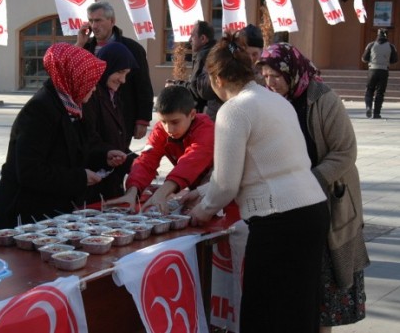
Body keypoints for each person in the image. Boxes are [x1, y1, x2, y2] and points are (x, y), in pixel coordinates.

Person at [182, 33, 329, 333]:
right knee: (299, 309)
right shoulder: (275, 100)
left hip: (279, 220)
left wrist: (201, 211)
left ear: (217, 79)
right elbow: (256, 167)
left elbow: (226, 184)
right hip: (312, 210)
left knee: (265, 311)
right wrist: (196, 192)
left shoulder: (234, 110)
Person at [257, 42, 370, 333]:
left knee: (325, 291)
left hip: (329, 197)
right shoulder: (271, 101)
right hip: (290, 202)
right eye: (265, 77)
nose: (270, 83)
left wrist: (309, 181)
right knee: (299, 289)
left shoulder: (322, 99)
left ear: (291, 71)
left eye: (275, 76)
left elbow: (345, 151)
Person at [0, 43, 127, 230]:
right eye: (90, 82)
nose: (94, 89)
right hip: (26, 214)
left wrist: (105, 155)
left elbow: (85, 143)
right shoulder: (40, 110)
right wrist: (79, 178)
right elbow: (30, 171)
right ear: (74, 78)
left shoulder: (74, 104)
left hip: (54, 210)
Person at [105, 85, 214, 214]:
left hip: (220, 185)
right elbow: (146, 161)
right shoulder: (160, 131)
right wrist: (132, 191)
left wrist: (162, 192)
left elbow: (191, 161)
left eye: (175, 122)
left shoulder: (205, 128)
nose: (169, 129)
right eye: (164, 121)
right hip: (193, 185)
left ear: (192, 114)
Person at [76, 1, 154, 146]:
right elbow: (70, 72)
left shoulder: (132, 48)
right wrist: (79, 45)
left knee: (117, 158)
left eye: (98, 20)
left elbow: (143, 85)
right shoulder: (85, 46)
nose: (94, 26)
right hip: (91, 118)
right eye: (91, 21)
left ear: (112, 21)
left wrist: (143, 119)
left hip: (122, 118)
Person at [83, 42, 138, 203]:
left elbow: (117, 140)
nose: (123, 80)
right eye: (120, 72)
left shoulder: (114, 96)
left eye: (126, 74)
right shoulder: (90, 95)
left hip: (111, 184)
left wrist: (137, 162)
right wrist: (113, 155)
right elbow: (89, 139)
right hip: (93, 185)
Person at [168, 20, 220, 116]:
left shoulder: (203, 55)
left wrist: (176, 85)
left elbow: (195, 89)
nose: (189, 40)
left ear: (203, 38)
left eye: (192, 36)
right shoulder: (214, 51)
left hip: (209, 112)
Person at [361, 28, 398, 119]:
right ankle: (377, 113)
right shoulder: (391, 46)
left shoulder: (371, 45)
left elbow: (364, 59)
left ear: (377, 35)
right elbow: (395, 60)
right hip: (384, 71)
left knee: (369, 90)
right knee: (380, 92)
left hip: (372, 70)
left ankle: (368, 107)